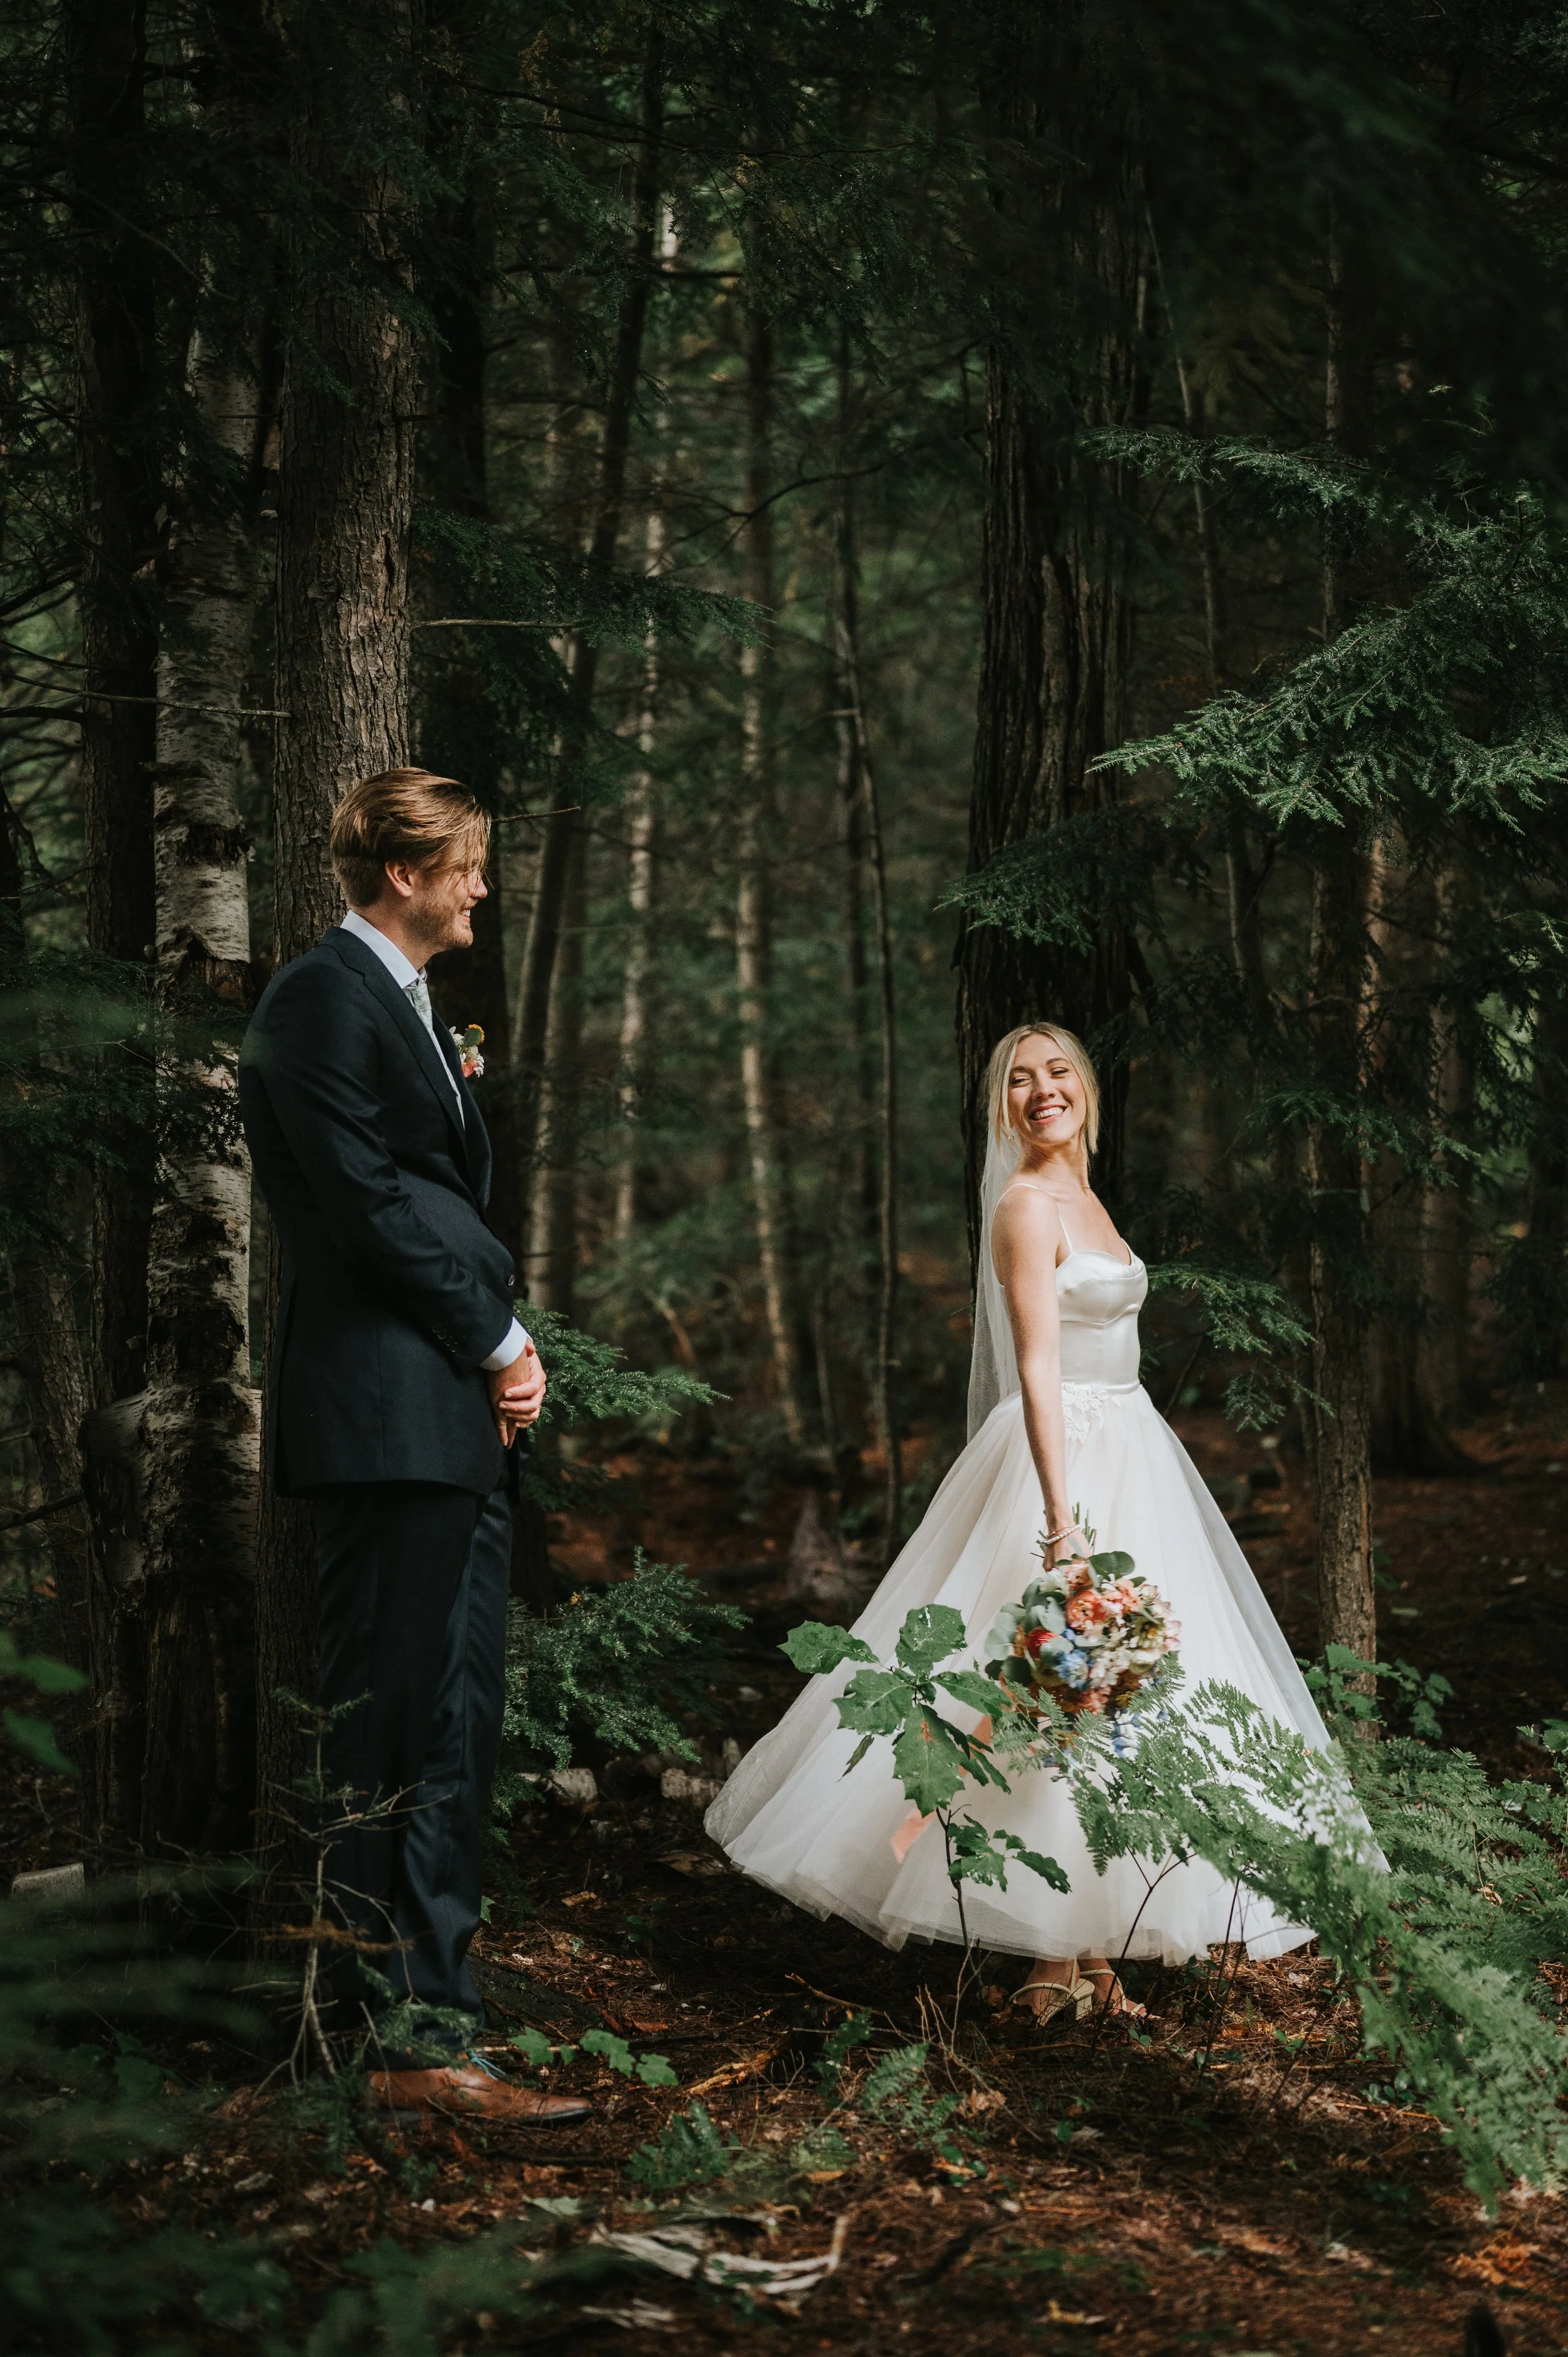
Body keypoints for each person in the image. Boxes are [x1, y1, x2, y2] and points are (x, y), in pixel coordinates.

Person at [707, 1023, 1341, 2023]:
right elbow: (1037, 1364)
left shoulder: (1087, 1197)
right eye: (1018, 1080)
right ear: (1001, 1106)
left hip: (1136, 1449)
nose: (1041, 1092)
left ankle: (1094, 1960)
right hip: (1067, 1463)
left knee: (1120, 1700)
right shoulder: (1023, 1204)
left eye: (1057, 1074)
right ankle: (1049, 1959)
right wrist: (1060, 1520)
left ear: (1087, 1089)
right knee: (1050, 1695)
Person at [239, 767, 586, 2122]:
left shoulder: (415, 1002)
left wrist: (494, 1354)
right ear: (404, 875)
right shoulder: (319, 998)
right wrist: (498, 1340)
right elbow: (364, 1208)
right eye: (467, 869)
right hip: (386, 1413)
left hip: (446, 1414)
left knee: (454, 1724)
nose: (482, 890)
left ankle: (434, 2029)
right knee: (383, 1729)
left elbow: (428, 1188)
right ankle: (365, 2033)